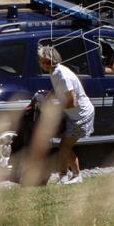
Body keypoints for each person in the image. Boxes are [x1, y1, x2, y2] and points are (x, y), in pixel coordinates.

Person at [37, 43, 95, 184]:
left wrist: (54, 108)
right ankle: (63, 176)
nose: (39, 63)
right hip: (73, 115)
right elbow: (58, 90)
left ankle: (77, 176)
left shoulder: (62, 75)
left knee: (65, 147)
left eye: (40, 61)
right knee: (63, 146)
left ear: (47, 62)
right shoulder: (54, 72)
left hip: (82, 116)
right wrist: (48, 96)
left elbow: (73, 102)